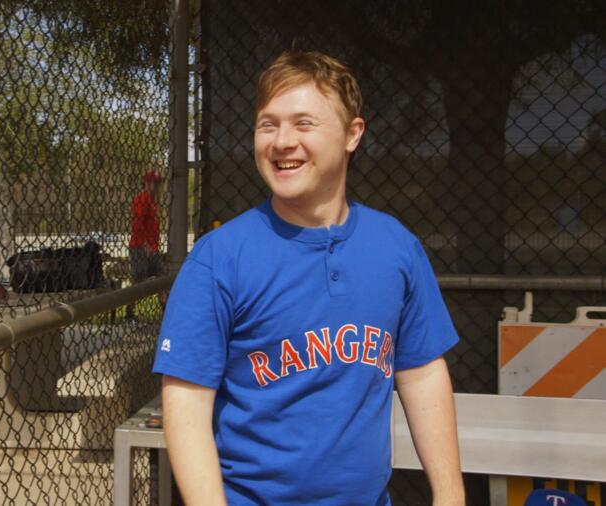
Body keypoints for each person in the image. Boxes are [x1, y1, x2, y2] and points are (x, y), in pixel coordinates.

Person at [153, 50, 464, 505]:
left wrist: (451, 494)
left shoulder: (396, 247)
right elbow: (186, 401)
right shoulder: (219, 258)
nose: (282, 141)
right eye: (268, 124)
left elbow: (421, 373)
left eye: (303, 123)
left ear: (352, 134)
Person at [127, 170, 165, 318]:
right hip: (140, 246)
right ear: (148, 184)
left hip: (152, 247)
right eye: (156, 183)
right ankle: (129, 312)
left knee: (161, 278)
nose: (159, 187)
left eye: (159, 183)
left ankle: (166, 313)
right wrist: (145, 245)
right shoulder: (142, 199)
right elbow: (138, 223)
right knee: (138, 280)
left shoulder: (152, 201)